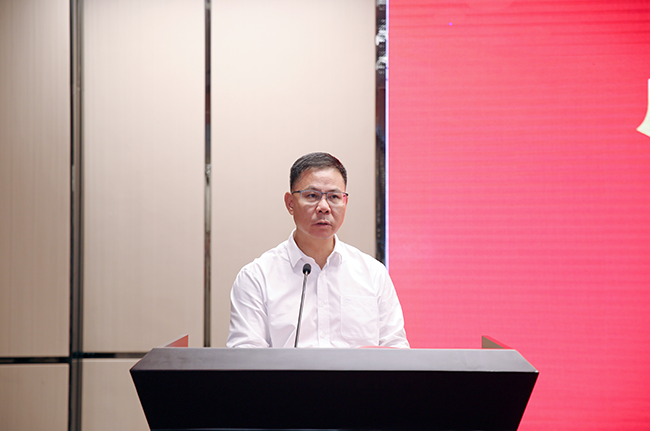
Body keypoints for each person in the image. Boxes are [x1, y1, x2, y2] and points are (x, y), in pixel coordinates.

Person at [227, 152, 409, 348]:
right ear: (290, 203)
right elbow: (246, 357)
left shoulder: (373, 274)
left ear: (345, 202)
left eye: (334, 197)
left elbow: (396, 350)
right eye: (312, 196)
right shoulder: (256, 278)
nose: (324, 207)